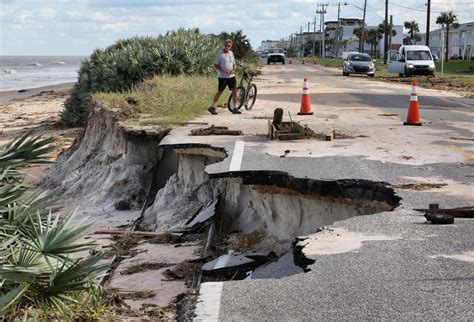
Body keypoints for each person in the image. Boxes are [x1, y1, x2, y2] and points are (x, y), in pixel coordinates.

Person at [208, 39, 240, 115]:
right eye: (226, 45)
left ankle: (235, 108)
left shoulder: (231, 53)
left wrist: (233, 69)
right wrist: (224, 71)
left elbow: (234, 64)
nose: (227, 47)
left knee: (234, 90)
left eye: (228, 46)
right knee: (220, 91)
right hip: (222, 77)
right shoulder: (220, 53)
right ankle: (212, 107)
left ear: (231, 46)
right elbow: (215, 65)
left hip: (231, 76)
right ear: (224, 45)